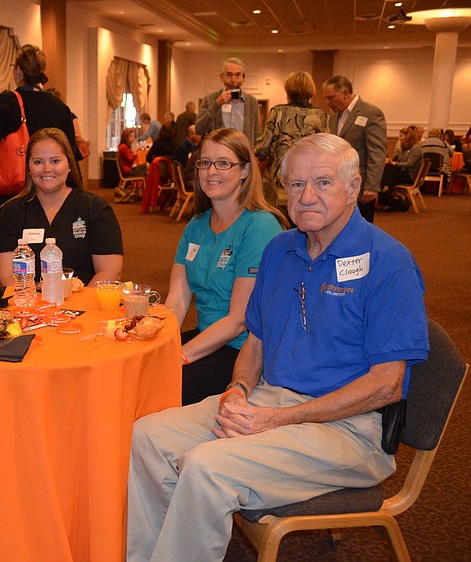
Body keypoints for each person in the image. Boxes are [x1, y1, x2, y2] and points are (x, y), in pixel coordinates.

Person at [127, 133, 428, 562]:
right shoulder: (281, 249)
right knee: (149, 435)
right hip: (271, 402)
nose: (307, 197)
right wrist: (237, 392)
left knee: (206, 467)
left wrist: (280, 419)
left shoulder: (387, 262)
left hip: (351, 429)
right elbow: (256, 340)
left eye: (323, 183)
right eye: (296, 185)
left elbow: (387, 385)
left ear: (354, 188)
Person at [166, 128, 286, 405]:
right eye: (205, 163)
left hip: (243, 350)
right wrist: (158, 344)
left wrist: (180, 355)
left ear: (245, 170)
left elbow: (238, 321)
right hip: (206, 336)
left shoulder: (260, 226)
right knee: (138, 370)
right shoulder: (196, 226)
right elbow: (177, 301)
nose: (211, 172)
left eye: (223, 163)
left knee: (166, 386)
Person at [0, 128, 122, 285]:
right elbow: (7, 278)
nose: (47, 169)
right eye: (38, 162)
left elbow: (110, 271)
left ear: (69, 165)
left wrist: (78, 305)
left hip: (85, 304)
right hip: (28, 306)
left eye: (55, 161)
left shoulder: (95, 209)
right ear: (28, 168)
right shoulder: (11, 213)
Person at [0, 44, 79, 212]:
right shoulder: (60, 106)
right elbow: (71, 151)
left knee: (13, 235)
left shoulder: (8, 102)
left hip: (14, 192)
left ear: (18, 70)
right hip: (53, 191)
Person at [255, 71, 328, 204]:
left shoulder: (278, 112)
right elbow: (327, 149)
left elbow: (262, 149)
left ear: (288, 89)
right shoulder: (321, 116)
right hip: (309, 182)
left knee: (279, 222)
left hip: (279, 183)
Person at [323, 75, 386, 223]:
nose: (327, 102)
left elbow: (377, 152)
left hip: (361, 185)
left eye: (330, 97)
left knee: (360, 227)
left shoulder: (370, 113)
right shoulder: (333, 115)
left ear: (345, 93)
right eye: (325, 98)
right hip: (337, 184)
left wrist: (372, 186)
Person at [196, 58, 260, 145]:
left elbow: (256, 133)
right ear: (221, 77)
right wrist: (216, 105)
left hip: (242, 153)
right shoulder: (209, 99)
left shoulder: (252, 102)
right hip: (217, 152)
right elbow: (199, 129)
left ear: (243, 78)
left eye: (237, 75)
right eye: (229, 75)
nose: (233, 80)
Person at [141, 123, 179, 213]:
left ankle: (155, 202)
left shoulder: (157, 143)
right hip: (171, 173)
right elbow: (177, 158)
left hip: (157, 173)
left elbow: (148, 157)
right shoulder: (175, 144)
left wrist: (155, 163)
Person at [116, 128, 147, 203]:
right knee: (148, 167)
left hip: (128, 168)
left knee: (147, 167)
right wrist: (136, 150)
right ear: (126, 137)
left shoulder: (124, 146)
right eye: (131, 136)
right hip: (127, 170)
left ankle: (146, 194)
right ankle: (147, 195)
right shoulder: (123, 147)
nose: (133, 138)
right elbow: (130, 159)